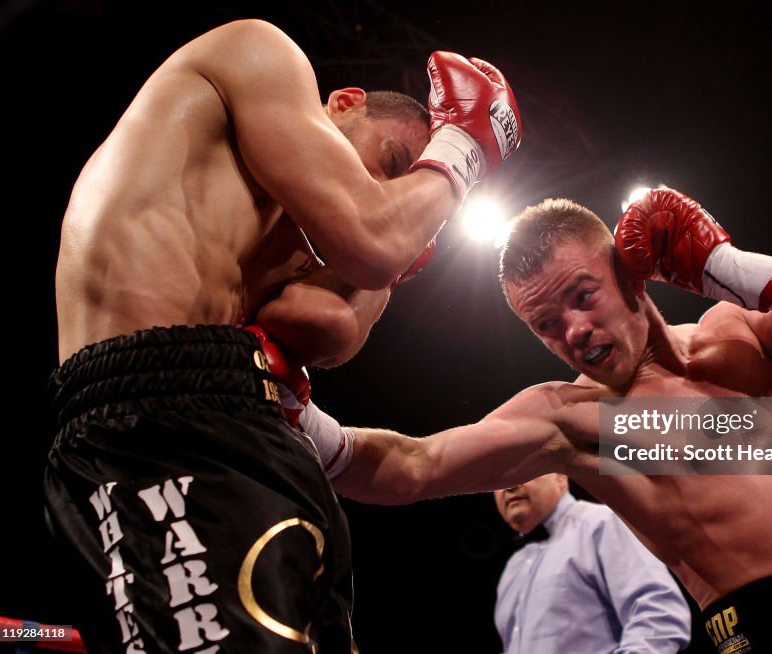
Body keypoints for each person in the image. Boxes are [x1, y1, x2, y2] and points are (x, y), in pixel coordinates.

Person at [283, 188, 772, 652]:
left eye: (582, 294)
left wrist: (723, 263)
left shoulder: (736, 333)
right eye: (544, 323)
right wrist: (294, 412)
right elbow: (411, 469)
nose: (572, 330)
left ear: (631, 274)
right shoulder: (575, 422)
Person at [46, 17, 522, 654]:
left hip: (233, 419)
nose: (389, 190)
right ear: (345, 103)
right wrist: (460, 150)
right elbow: (368, 254)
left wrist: (394, 255)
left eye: (404, 183)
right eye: (394, 163)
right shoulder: (259, 52)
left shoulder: (288, 231)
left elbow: (330, 326)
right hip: (161, 412)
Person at [492, 473, 691, 654]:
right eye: (498, 481)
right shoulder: (513, 567)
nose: (509, 487)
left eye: (523, 471)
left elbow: (659, 615)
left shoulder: (601, 523)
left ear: (560, 477)